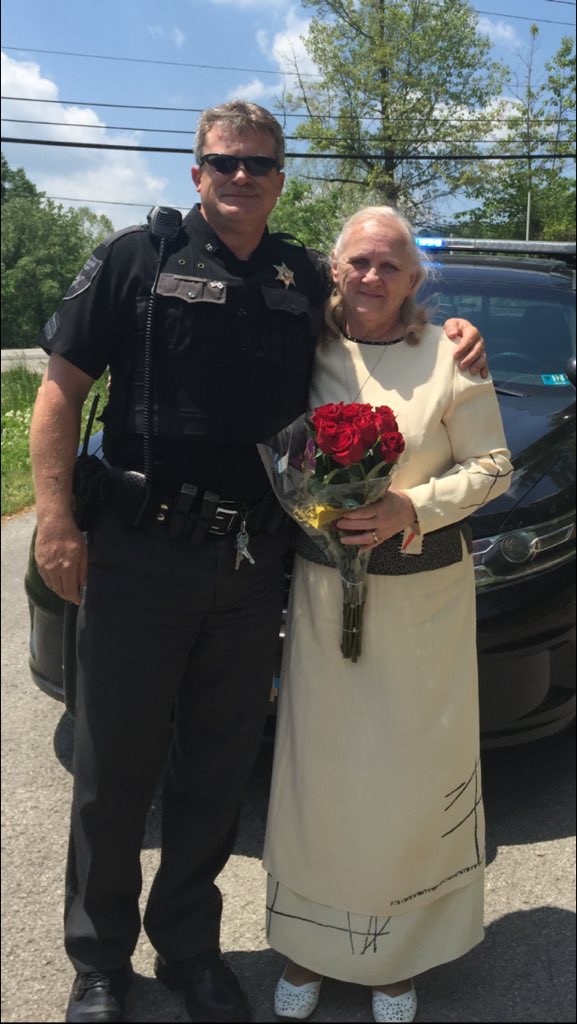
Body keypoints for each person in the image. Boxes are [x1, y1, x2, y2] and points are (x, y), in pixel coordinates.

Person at [29, 101, 486, 1024]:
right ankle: (101, 961)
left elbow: (381, 307)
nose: (240, 178)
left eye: (258, 165)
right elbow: (59, 391)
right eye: (222, 163)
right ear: (195, 173)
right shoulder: (135, 259)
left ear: (281, 178)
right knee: (116, 772)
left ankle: (190, 950)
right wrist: (54, 520)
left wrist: (453, 328)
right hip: (139, 552)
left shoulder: (298, 275)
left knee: (214, 770)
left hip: (248, 568)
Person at [264, 206, 513, 1023]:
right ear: (333, 269)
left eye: (389, 265)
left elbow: (493, 467)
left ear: (414, 279)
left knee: (404, 778)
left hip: (420, 606)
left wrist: (414, 504)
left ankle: (395, 962)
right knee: (320, 775)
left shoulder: (448, 354)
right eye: (357, 262)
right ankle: (307, 945)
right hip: (322, 594)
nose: (371, 277)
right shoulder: (299, 344)